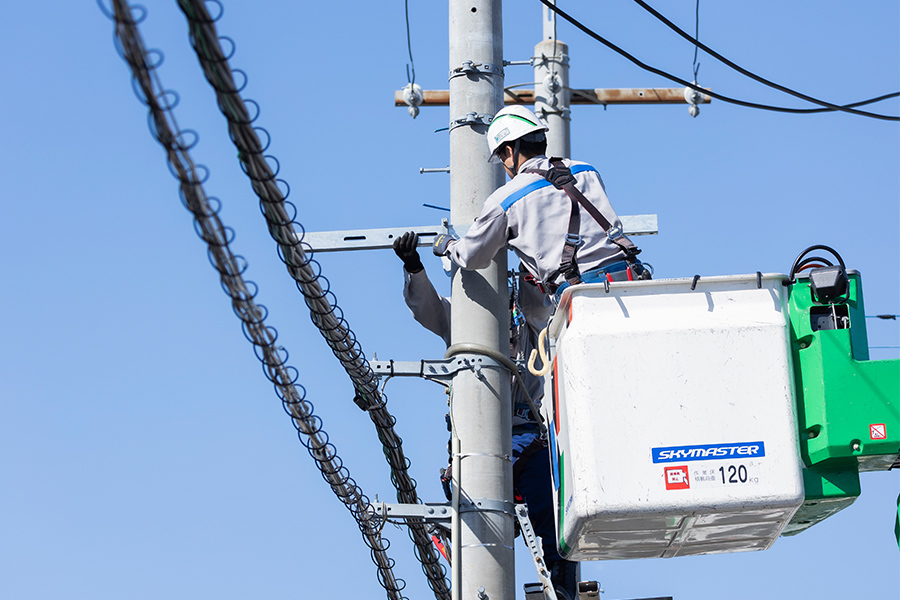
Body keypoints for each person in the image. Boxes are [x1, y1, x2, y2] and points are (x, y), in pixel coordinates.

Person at [393, 231, 580, 600]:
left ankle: (562, 586)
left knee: (552, 515)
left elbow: (539, 305)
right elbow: (428, 308)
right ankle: (462, 540)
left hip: (526, 436)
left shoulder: (532, 329)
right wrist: (413, 266)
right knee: (476, 497)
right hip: (477, 437)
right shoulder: (466, 324)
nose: (506, 341)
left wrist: (526, 253)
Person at [432, 105, 648, 301]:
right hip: (631, 279)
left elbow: (472, 256)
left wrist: (449, 245)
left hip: (582, 295)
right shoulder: (587, 170)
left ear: (508, 152)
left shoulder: (506, 200)